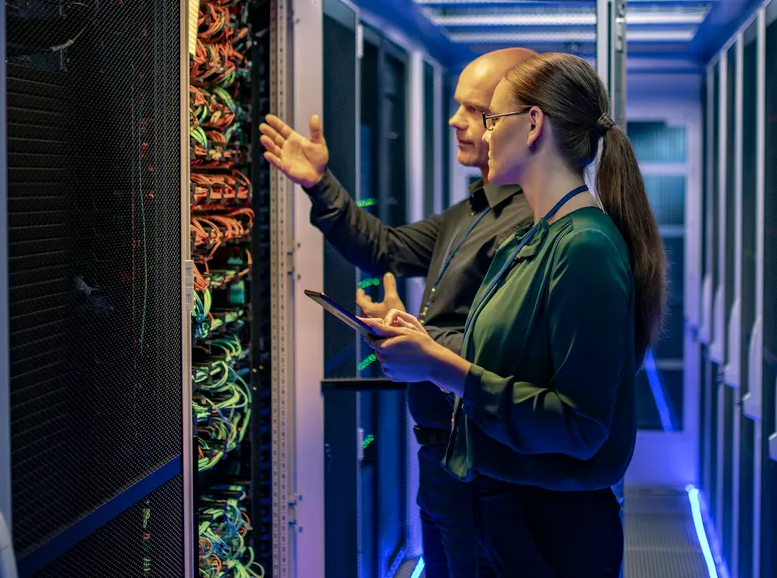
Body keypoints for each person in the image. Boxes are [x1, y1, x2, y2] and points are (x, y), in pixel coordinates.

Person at [360, 52, 667, 577]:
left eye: (491, 119)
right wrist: (420, 341)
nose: (480, 132)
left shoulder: (585, 247)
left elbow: (579, 425)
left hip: (551, 530)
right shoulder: (534, 237)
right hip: (504, 509)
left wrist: (437, 366)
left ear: (532, 125)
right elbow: (505, 361)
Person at [258, 47, 538, 578]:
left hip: (481, 465)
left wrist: (418, 339)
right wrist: (320, 185)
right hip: (440, 459)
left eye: (473, 110)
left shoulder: (527, 222)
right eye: (457, 106)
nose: (455, 120)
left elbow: (504, 352)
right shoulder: (475, 208)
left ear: (523, 121)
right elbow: (385, 249)